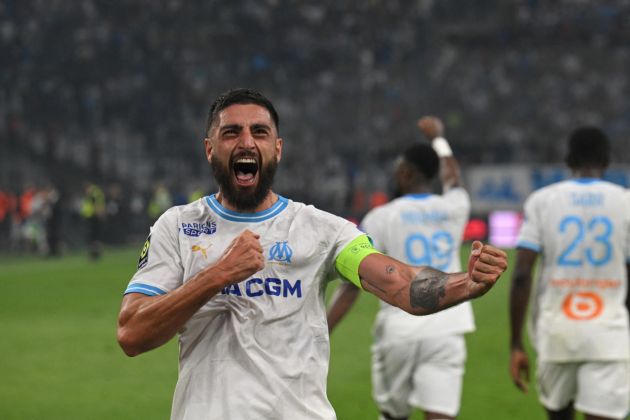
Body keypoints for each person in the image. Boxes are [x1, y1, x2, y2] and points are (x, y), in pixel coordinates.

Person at [116, 88, 508, 420]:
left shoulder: (321, 229)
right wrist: (217, 275)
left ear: (277, 148)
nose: (246, 142)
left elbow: (401, 283)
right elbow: (132, 333)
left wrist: (465, 283)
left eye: (260, 132)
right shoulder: (177, 226)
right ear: (210, 148)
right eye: (231, 132)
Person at [327, 116, 474, 420]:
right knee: (441, 414)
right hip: (447, 326)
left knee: (394, 415)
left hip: (399, 327)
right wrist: (439, 139)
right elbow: (454, 179)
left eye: (397, 169)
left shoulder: (381, 217)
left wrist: (322, 330)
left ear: (406, 173)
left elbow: (353, 285)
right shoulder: (454, 207)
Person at [509, 126, 630, 420]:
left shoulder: (542, 200)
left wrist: (515, 344)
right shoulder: (625, 201)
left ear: (569, 159)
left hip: (556, 332)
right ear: (606, 160)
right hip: (609, 334)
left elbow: (522, 274)